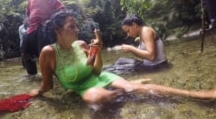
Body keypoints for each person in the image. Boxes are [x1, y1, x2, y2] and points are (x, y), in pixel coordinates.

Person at [29, 11, 216, 105]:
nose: (77, 30)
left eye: (76, 26)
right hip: (83, 88)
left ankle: (199, 95)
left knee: (134, 88)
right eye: (72, 26)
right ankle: (129, 90)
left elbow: (96, 70)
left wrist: (98, 51)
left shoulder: (82, 45)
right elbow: (47, 85)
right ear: (57, 30)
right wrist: (37, 94)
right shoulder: (48, 53)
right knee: (97, 98)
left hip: (101, 77)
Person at [21, 0, 65, 76]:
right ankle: (32, 76)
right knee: (25, 53)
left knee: (44, 53)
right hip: (31, 29)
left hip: (44, 28)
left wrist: (51, 20)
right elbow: (27, 12)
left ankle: (50, 77)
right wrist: (26, 19)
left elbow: (61, 9)